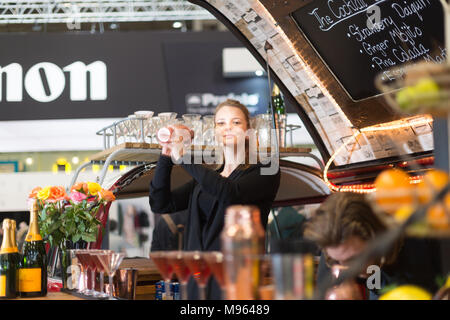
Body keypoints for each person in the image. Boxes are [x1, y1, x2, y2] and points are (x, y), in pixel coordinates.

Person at [149, 99, 281, 299]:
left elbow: (230, 194)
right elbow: (161, 203)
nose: (227, 127)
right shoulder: (207, 180)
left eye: (236, 122)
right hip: (197, 281)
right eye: (221, 123)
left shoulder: (265, 171)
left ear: (248, 130)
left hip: (236, 279)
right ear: (215, 132)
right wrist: (166, 155)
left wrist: (185, 157)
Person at [303, 192, 443, 300]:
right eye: (339, 261)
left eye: (354, 259)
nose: (348, 269)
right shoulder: (337, 253)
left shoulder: (420, 240)